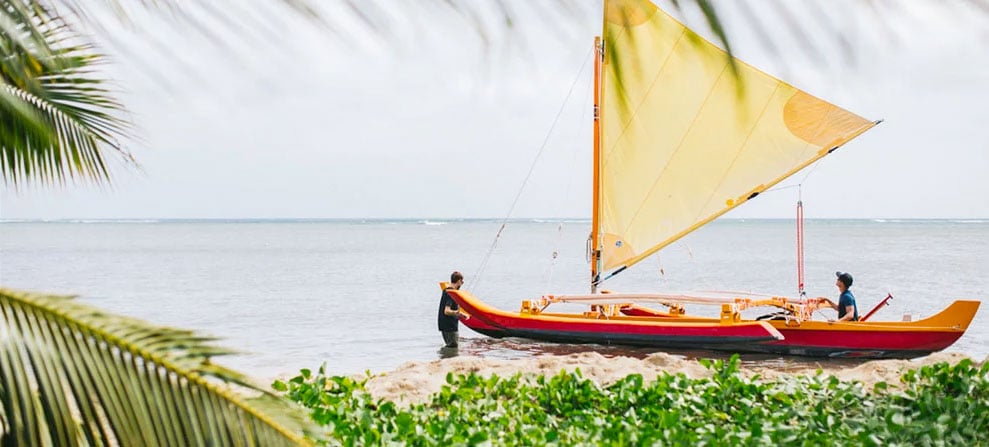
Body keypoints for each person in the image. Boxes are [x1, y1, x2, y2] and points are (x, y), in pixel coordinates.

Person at [437, 271, 466, 348]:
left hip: (444, 326)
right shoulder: (452, 294)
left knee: (450, 347)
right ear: (459, 281)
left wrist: (460, 314)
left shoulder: (446, 290)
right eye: (462, 282)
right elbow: (447, 311)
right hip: (450, 327)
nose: (462, 284)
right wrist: (458, 313)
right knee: (453, 347)